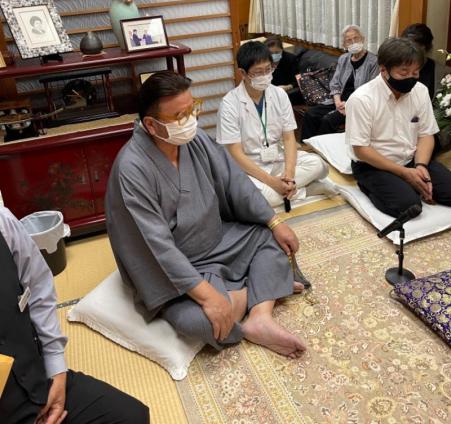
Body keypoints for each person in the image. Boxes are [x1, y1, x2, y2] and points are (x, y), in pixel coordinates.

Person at [105, 71, 307, 359]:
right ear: (150, 124)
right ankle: (263, 289)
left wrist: (273, 221)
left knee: (273, 239)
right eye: (180, 115)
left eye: (192, 109)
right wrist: (207, 296)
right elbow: (154, 245)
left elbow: (234, 181)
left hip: (219, 239)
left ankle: (259, 317)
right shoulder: (131, 169)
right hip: (177, 267)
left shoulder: (195, 139)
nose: (190, 120)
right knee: (200, 322)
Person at [0, 207, 149, 424]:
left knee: (132, 416)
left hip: (36, 380)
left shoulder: (3, 221)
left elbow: (38, 286)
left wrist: (56, 368)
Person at [216, 41, 335, 208]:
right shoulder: (229, 104)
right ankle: (308, 190)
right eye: (258, 72)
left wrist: (290, 175)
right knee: (261, 198)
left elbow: (289, 138)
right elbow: (236, 154)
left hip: (277, 158)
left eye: (268, 69)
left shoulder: (279, 94)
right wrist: (272, 182)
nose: (265, 75)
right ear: (242, 73)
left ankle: (290, 187)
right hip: (249, 166)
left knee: (319, 165)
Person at [345, 37, 451, 218]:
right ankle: (367, 186)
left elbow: (426, 134)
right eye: (403, 73)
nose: (410, 78)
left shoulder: (420, 91)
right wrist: (404, 174)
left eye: (415, 72)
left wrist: (421, 166)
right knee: (409, 207)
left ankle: (408, 182)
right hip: (373, 165)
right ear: (384, 69)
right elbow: (361, 150)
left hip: (411, 159)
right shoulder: (362, 99)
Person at [301, 25, 379, 140]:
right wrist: (337, 102)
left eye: (356, 38)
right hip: (338, 101)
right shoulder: (343, 59)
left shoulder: (373, 61)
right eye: (349, 40)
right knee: (310, 114)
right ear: (344, 45)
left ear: (363, 39)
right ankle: (306, 146)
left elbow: (370, 91)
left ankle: (322, 148)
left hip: (358, 105)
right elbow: (335, 83)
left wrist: (348, 105)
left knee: (328, 120)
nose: (353, 42)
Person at [401, 23, 435, 99]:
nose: (410, 51)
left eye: (415, 46)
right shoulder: (397, 66)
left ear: (425, 47)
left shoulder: (440, 71)